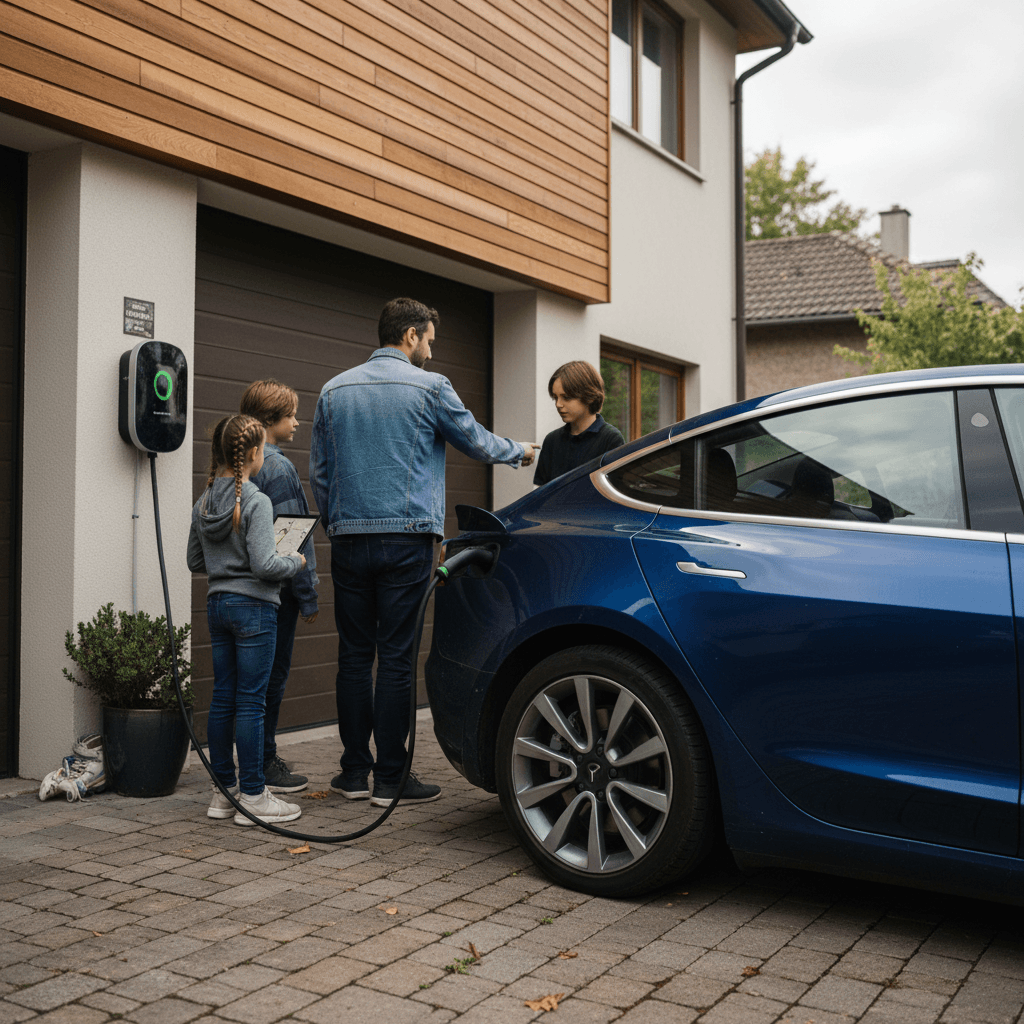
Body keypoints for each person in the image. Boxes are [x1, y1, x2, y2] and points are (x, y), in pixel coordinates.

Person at [310, 297, 537, 807]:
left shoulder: (333, 390)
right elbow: (475, 440)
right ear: (410, 335)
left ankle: (352, 774)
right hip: (407, 540)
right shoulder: (431, 388)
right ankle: (390, 780)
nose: (432, 352)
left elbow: (319, 475)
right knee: (394, 659)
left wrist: (339, 523)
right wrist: (519, 452)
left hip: (347, 540)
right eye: (429, 340)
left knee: (353, 657)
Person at [187, 413, 306, 826]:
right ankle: (254, 795)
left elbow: (194, 560)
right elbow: (265, 565)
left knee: (224, 697)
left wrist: (225, 564)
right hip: (255, 609)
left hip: (218, 606)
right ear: (254, 453)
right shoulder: (256, 500)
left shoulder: (203, 502)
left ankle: (225, 795)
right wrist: (294, 560)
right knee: (252, 701)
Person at [240, 380, 319, 795]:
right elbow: (291, 540)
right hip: (276, 595)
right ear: (271, 420)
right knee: (271, 677)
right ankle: (264, 761)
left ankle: (240, 763)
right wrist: (307, 596)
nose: (297, 422)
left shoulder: (236, 462)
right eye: (291, 415)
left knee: (242, 683)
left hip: (240, 592)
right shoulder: (279, 467)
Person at [533, 360, 625, 486]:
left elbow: (615, 491)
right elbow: (540, 492)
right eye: (555, 397)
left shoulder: (611, 439)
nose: (558, 404)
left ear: (590, 396)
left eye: (566, 397)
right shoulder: (551, 440)